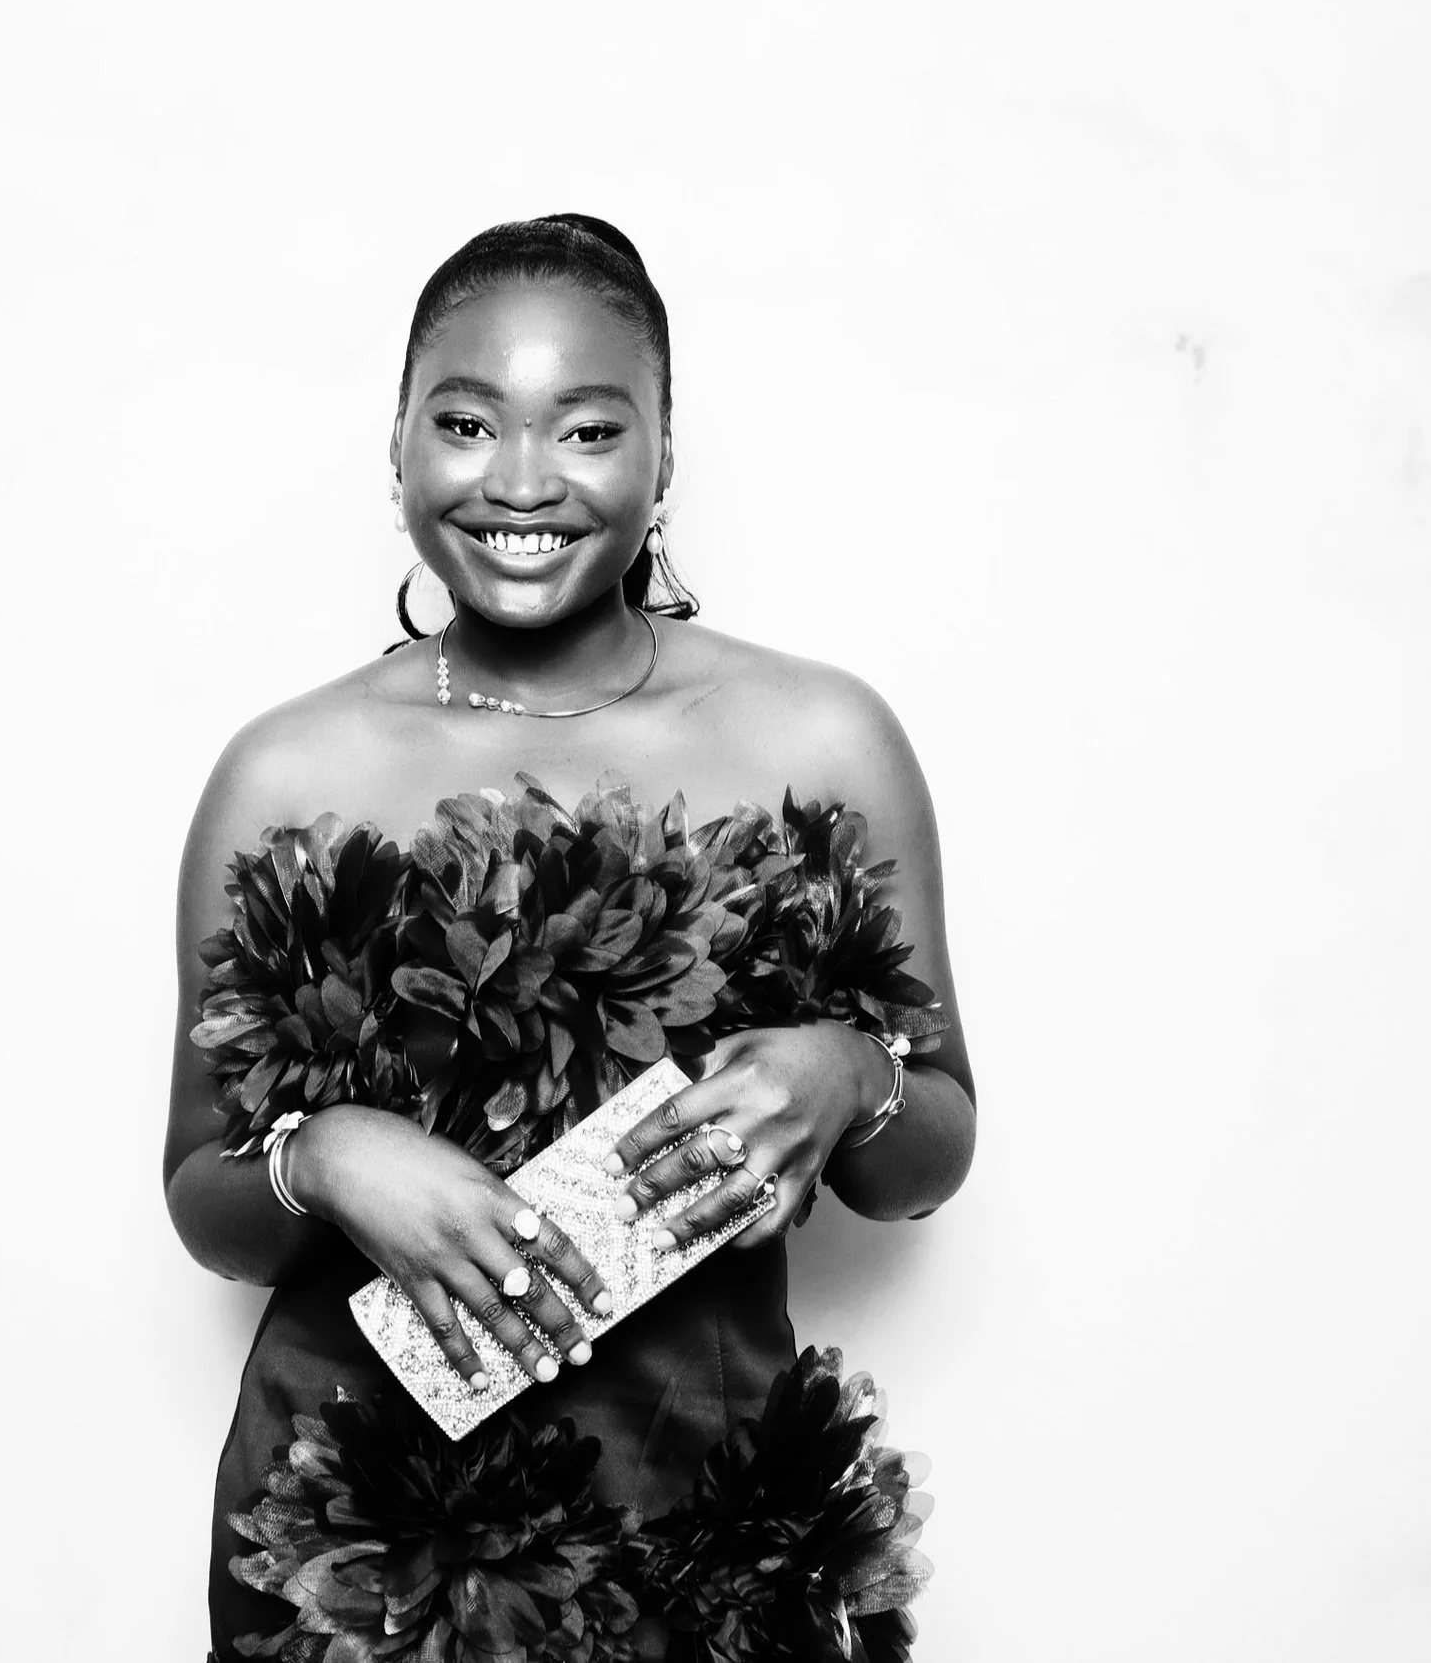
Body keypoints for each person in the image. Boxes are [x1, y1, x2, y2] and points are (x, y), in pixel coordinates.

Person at [164, 215, 976, 1661]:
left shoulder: (819, 740)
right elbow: (204, 1202)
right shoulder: (286, 775)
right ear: (399, 450)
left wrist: (854, 1074)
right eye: (467, 422)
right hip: (355, 1545)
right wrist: (326, 1154)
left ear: (664, 460)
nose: (521, 483)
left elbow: (932, 1160)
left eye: (589, 428)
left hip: (710, 1526)